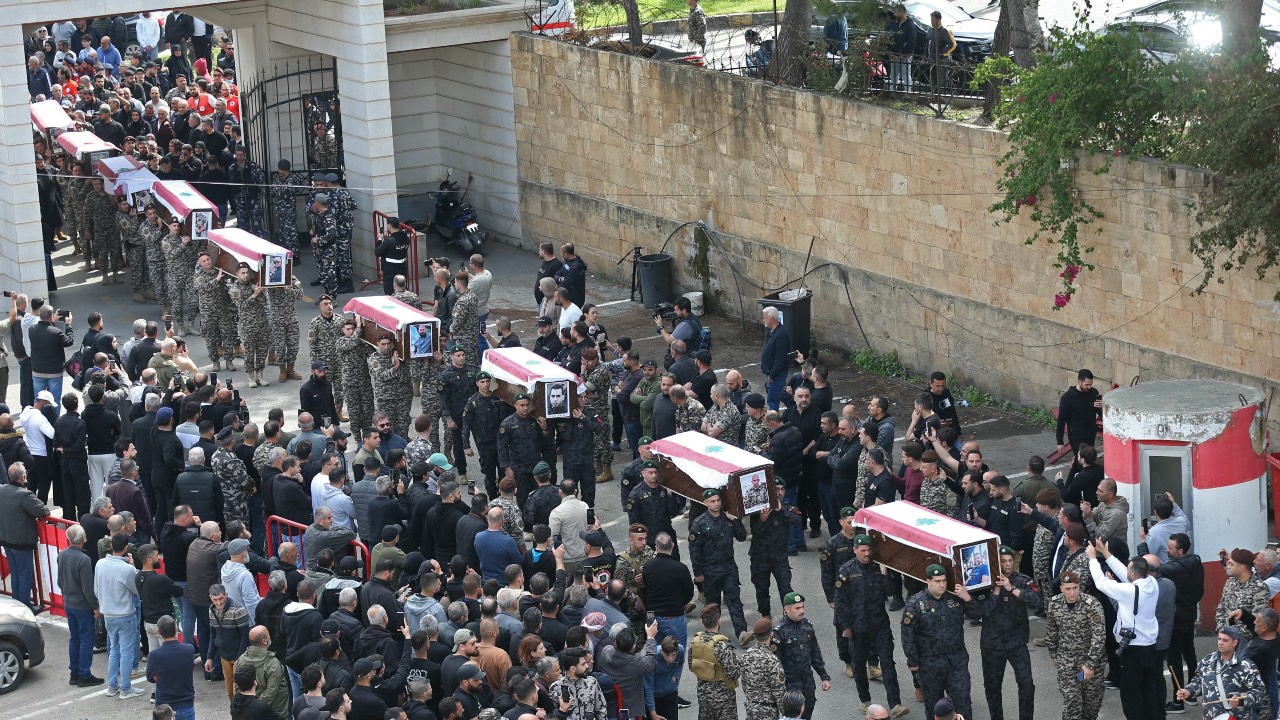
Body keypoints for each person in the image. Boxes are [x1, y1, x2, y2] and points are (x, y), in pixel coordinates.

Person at [955, 545, 1041, 720]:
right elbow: (977, 613)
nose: (1007, 564)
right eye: (1003, 561)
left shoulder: (1022, 580)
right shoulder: (985, 584)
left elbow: (1037, 601)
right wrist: (969, 598)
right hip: (992, 644)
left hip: (1017, 642)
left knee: (1026, 684)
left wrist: (1011, 588)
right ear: (996, 563)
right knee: (992, 687)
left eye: (1010, 560)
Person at [1086, 541, 1162, 720]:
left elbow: (1100, 582)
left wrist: (1093, 559)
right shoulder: (1151, 583)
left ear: (1134, 575)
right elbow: (1124, 573)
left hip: (1133, 649)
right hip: (1150, 646)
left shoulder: (1129, 591)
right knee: (1148, 690)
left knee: (1131, 694)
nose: (1126, 572)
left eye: (1129, 570)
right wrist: (1106, 553)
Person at [833, 534, 906, 719]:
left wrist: (884, 573)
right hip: (858, 628)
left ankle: (895, 704)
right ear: (855, 550)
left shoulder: (877, 567)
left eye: (869, 550)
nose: (867, 553)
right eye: (863, 550)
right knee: (859, 664)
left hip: (880, 625)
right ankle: (865, 700)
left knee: (888, 664)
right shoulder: (846, 571)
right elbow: (840, 602)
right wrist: (845, 627)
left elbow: (890, 592)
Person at [901, 564, 970, 719]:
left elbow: (976, 614)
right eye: (938, 581)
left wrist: (967, 598)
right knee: (934, 707)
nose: (942, 585)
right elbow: (908, 635)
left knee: (963, 703)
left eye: (944, 581)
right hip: (930, 664)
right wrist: (913, 661)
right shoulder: (915, 604)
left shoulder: (955, 598)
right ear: (928, 581)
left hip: (956, 661)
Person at [1177, 627, 1266, 719]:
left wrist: (1241, 700)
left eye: (1225, 640)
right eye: (1219, 639)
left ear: (1235, 643)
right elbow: (1198, 680)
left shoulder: (1246, 666)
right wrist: (1189, 691)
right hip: (1210, 716)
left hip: (1234, 717)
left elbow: (1259, 691)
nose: (1220, 642)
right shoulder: (1208, 660)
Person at [95, 533, 145, 699]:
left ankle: (112, 686)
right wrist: (133, 566)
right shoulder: (127, 569)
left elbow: (96, 589)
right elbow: (137, 589)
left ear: (111, 546)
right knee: (126, 653)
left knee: (114, 651)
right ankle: (125, 688)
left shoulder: (100, 564)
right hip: (125, 615)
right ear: (125, 548)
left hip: (108, 614)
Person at [58, 523, 103, 686]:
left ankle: (75, 673)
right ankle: (84, 674)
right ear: (83, 538)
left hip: (69, 603)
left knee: (75, 639)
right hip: (82, 606)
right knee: (86, 640)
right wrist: (96, 607)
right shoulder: (84, 559)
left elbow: (59, 581)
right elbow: (88, 589)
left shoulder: (62, 555)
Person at [773, 593, 829, 720]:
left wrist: (824, 676)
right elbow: (775, 663)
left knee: (808, 712)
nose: (802, 611)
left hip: (808, 682)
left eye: (802, 607)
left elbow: (815, 653)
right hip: (790, 685)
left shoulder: (807, 626)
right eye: (797, 608)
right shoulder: (779, 632)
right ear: (786, 609)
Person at [0, 463, 49, 610]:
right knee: (24, 576)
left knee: (16, 574)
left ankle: (17, 604)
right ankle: (24, 607)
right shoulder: (24, 495)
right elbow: (43, 510)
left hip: (7, 541)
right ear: (22, 477)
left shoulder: (2, 490)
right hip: (21, 542)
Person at [148, 615, 197, 720]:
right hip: (186, 704)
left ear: (158, 632)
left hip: (163, 708)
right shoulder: (189, 650)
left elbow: (150, 677)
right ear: (176, 629)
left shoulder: (154, 655)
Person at [1057, 369, 1103, 479]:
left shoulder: (1093, 393)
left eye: (1090, 384)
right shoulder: (1067, 398)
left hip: (1090, 434)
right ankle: (1081, 482)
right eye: (1086, 385)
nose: (1089, 387)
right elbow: (1061, 420)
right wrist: (1060, 441)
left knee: (1083, 461)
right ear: (1079, 382)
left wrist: (1102, 407)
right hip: (1076, 436)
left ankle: (1070, 483)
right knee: (1083, 461)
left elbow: (1100, 413)